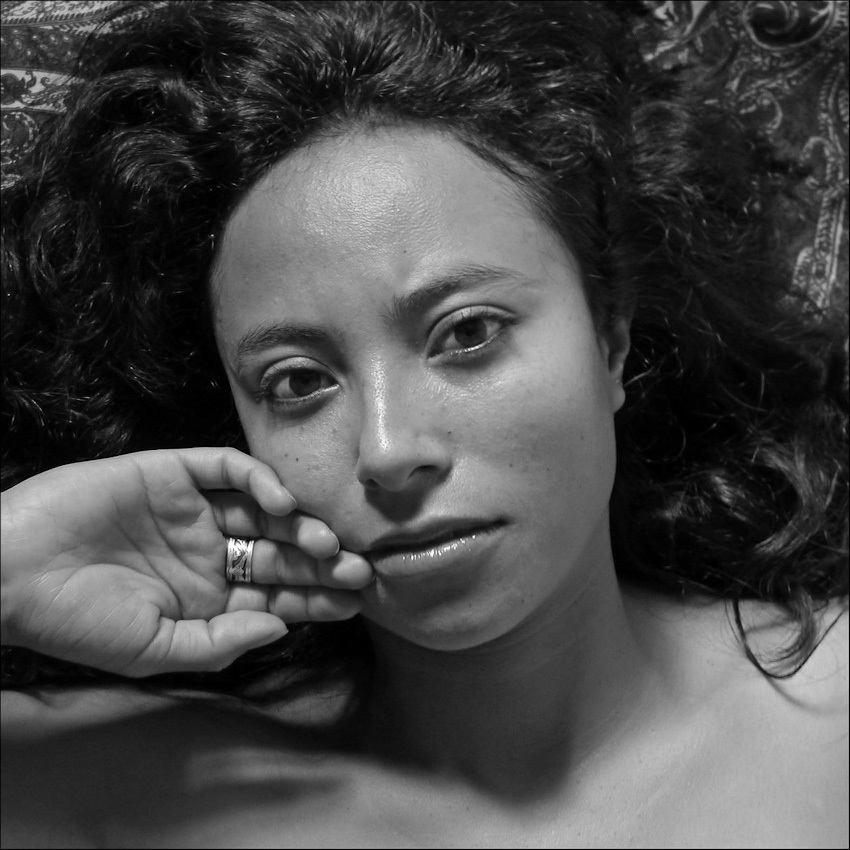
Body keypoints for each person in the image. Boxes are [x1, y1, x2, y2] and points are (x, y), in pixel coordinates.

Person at [1, 1, 847, 846]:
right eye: (298, 382)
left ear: (610, 335)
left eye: (467, 333)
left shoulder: (830, 725)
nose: (387, 450)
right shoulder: (129, 791)